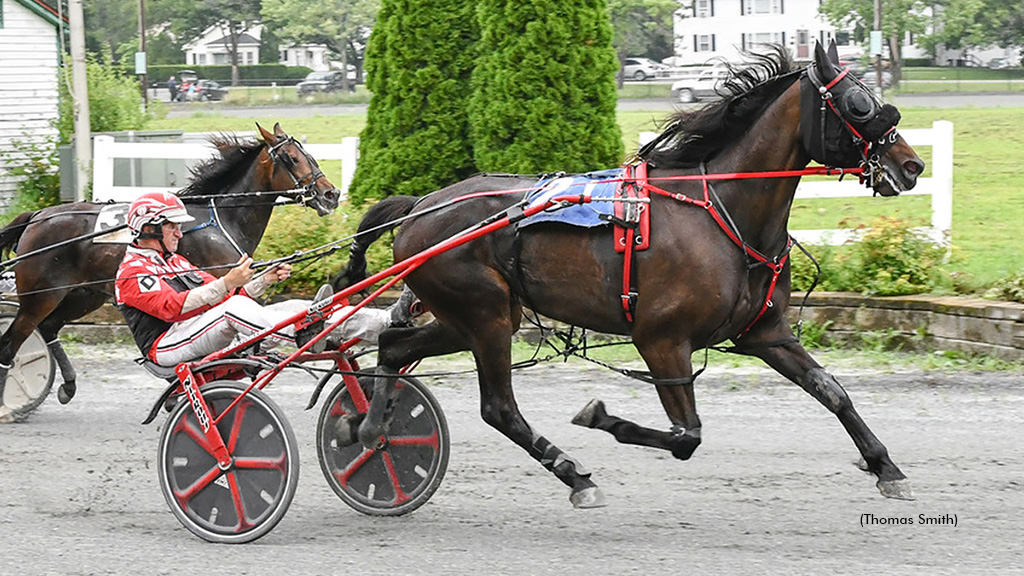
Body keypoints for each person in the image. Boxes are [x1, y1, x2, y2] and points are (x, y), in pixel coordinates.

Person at [115, 191, 407, 367]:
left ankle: (385, 324)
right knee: (235, 311)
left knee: (292, 307)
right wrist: (228, 282)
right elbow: (173, 308)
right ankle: (300, 334)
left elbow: (228, 298)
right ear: (149, 228)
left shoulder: (175, 261)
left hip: (198, 329)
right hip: (167, 346)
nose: (180, 233)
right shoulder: (132, 271)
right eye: (172, 227)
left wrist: (263, 281)